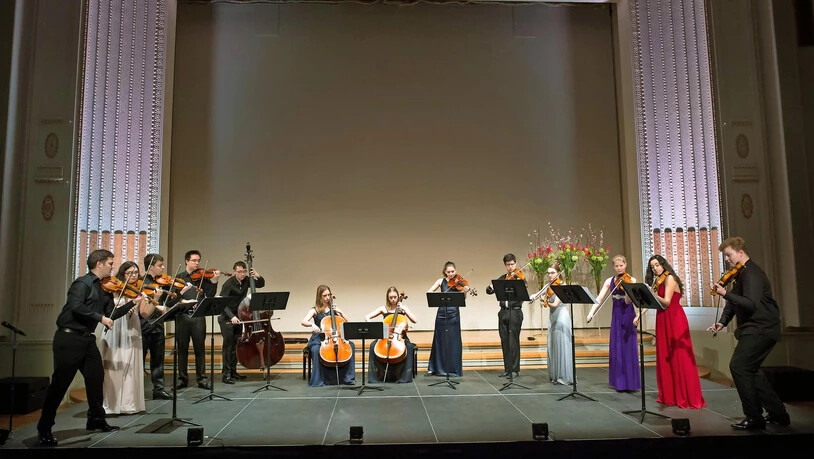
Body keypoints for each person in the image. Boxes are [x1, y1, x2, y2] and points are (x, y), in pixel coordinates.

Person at [37, 250, 123, 446]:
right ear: (99, 263)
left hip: (87, 340)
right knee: (60, 384)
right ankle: (44, 428)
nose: (112, 267)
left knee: (96, 378)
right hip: (68, 339)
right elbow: (75, 305)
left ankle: (95, 419)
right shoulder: (82, 283)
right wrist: (100, 318)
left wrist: (131, 303)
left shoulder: (104, 289)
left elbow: (111, 314)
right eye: (110, 263)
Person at [707, 237, 789, 430]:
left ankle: (754, 417)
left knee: (739, 366)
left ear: (740, 252)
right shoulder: (741, 274)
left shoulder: (752, 273)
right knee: (752, 370)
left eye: (729, 255)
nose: (727, 259)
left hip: (761, 328)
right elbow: (734, 303)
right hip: (755, 328)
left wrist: (725, 294)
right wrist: (721, 322)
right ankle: (778, 414)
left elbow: (750, 304)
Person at [639, 255, 705, 409]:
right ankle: (670, 395)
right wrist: (638, 315)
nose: (655, 269)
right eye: (652, 267)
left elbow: (667, 301)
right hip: (662, 317)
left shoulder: (670, 278)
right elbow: (653, 302)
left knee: (678, 357)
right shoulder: (659, 280)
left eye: (657, 265)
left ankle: (685, 395)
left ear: (663, 264)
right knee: (666, 356)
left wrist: (652, 293)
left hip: (674, 318)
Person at [98, 261, 149, 414]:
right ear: (123, 274)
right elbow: (109, 312)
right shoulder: (112, 289)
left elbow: (145, 313)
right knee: (113, 366)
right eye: (130, 273)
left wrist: (153, 300)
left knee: (130, 365)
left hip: (131, 328)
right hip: (115, 328)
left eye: (136, 273)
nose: (134, 276)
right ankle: (112, 405)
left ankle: (128, 404)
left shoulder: (138, 291)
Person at [587, 255, 641, 392]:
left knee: (628, 347)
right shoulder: (610, 280)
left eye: (621, 265)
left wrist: (627, 289)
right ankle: (619, 382)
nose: (619, 268)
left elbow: (630, 302)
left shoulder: (631, 280)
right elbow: (599, 298)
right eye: (616, 266)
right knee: (617, 348)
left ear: (625, 264)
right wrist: (591, 312)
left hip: (628, 314)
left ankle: (630, 382)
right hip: (616, 315)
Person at [175, 250, 220, 390]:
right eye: (194, 260)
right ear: (186, 261)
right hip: (182, 316)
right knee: (182, 348)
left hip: (198, 316)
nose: (197, 263)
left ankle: (202, 378)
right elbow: (174, 297)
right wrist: (183, 300)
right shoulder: (179, 277)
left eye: (198, 260)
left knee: (199, 348)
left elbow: (210, 296)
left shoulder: (203, 278)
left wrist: (214, 282)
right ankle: (182, 379)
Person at [218, 261, 265, 384]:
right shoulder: (228, 284)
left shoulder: (246, 281)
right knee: (228, 347)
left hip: (239, 317)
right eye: (239, 272)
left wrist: (257, 275)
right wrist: (231, 316)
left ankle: (233, 372)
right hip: (227, 318)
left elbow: (260, 284)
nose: (242, 274)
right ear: (234, 272)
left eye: (244, 271)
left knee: (236, 345)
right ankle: (226, 374)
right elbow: (222, 303)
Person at [301, 285, 356, 386]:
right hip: (319, 338)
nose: (327, 298)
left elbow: (348, 321)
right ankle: (318, 380)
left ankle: (348, 377)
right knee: (316, 350)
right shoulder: (315, 310)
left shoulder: (334, 309)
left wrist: (340, 312)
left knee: (351, 345)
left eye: (329, 295)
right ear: (320, 297)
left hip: (334, 337)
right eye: (324, 295)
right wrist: (312, 324)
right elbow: (303, 321)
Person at [364, 287, 418, 383]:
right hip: (385, 336)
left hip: (399, 337)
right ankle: (376, 376)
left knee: (409, 347)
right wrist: (375, 326)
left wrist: (404, 311)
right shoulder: (383, 309)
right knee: (373, 346)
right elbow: (367, 316)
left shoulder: (403, 308)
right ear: (387, 298)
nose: (393, 300)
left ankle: (404, 377)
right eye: (391, 298)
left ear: (398, 297)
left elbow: (415, 320)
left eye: (395, 297)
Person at [486, 253, 525, 378]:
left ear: (516, 264)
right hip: (503, 312)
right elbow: (489, 291)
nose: (510, 267)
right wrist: (491, 287)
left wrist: (520, 282)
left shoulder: (520, 278)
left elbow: (524, 291)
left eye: (512, 264)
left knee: (513, 341)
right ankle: (507, 369)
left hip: (515, 311)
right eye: (508, 265)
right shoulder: (503, 278)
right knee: (504, 341)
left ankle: (515, 370)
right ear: (505, 265)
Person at [426, 261, 468, 377]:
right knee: (439, 340)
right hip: (441, 314)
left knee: (453, 341)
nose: (451, 274)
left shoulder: (460, 282)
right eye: (448, 272)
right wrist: (438, 295)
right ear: (445, 272)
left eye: (453, 271)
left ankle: (453, 369)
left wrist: (465, 292)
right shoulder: (440, 281)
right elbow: (429, 292)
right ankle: (435, 368)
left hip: (453, 315)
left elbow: (463, 299)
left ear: (456, 271)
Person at [141, 253, 174, 400]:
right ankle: (137, 390)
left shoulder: (160, 283)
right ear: (150, 267)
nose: (163, 268)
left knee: (158, 359)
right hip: (144, 326)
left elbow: (168, 304)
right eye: (160, 265)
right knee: (140, 360)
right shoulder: (142, 283)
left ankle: (158, 389)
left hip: (158, 326)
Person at [543, 266, 573, 385]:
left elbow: (555, 304)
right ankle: (555, 375)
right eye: (548, 273)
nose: (550, 275)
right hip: (552, 317)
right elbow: (545, 296)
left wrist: (545, 302)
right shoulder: (549, 286)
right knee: (553, 344)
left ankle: (563, 376)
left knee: (561, 344)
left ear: (558, 273)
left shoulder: (562, 286)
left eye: (552, 273)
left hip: (561, 316)